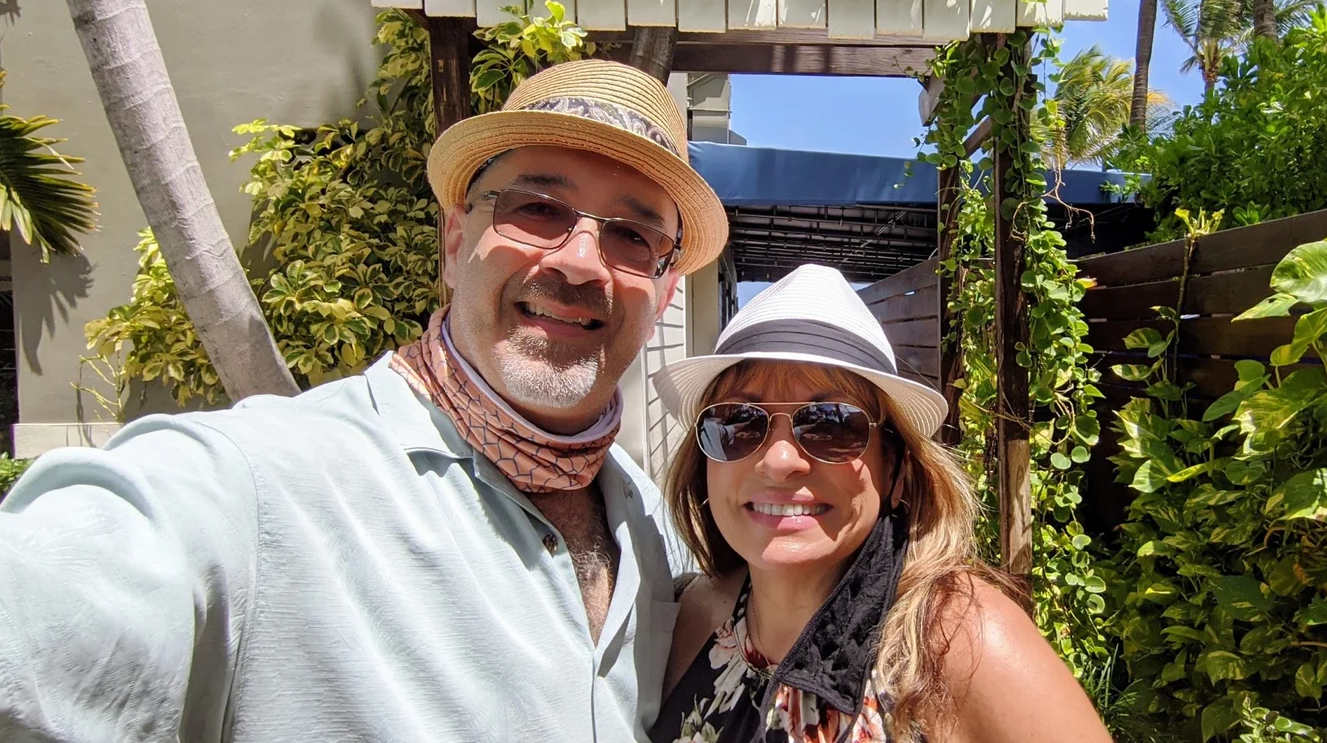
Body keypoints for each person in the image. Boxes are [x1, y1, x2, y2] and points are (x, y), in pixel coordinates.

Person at [0, 59, 728, 742]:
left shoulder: (646, 521)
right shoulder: (257, 487)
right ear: (453, 242)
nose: (578, 262)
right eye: (537, 209)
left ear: (664, 292)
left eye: (632, 236)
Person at [649, 264, 1113, 743]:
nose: (780, 461)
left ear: (894, 468)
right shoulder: (689, 618)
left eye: (830, 425)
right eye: (739, 422)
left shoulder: (962, 648)